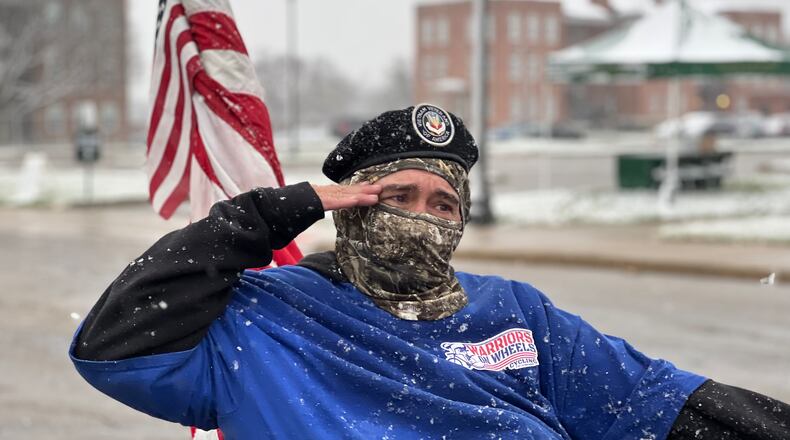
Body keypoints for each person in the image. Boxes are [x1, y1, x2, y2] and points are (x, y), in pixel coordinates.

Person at [70, 104, 789, 439]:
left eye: (443, 203)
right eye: (396, 196)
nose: (423, 217)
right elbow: (118, 345)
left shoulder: (515, 311)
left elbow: (652, 403)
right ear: (349, 205)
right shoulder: (262, 316)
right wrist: (268, 214)